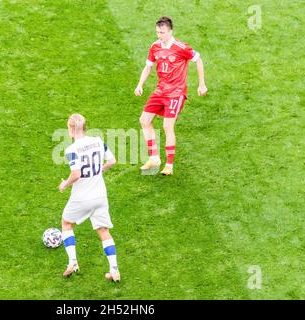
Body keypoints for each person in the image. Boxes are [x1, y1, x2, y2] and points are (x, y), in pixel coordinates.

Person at [135, 16, 208, 176]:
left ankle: (169, 165)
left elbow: (199, 60)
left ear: (170, 31)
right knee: (144, 120)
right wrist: (139, 84)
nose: (159, 35)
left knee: (167, 126)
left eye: (162, 32)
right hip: (160, 91)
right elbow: (147, 67)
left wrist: (201, 84)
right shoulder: (154, 47)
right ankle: (154, 158)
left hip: (176, 93)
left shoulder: (181, 47)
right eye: (157, 32)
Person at [58, 114, 120, 282]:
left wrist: (65, 185)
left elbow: (76, 174)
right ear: (85, 127)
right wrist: (100, 170)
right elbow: (112, 160)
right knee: (103, 230)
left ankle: (73, 262)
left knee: (66, 223)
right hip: (100, 195)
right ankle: (114, 270)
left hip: (81, 197)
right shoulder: (98, 141)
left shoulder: (71, 150)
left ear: (71, 130)